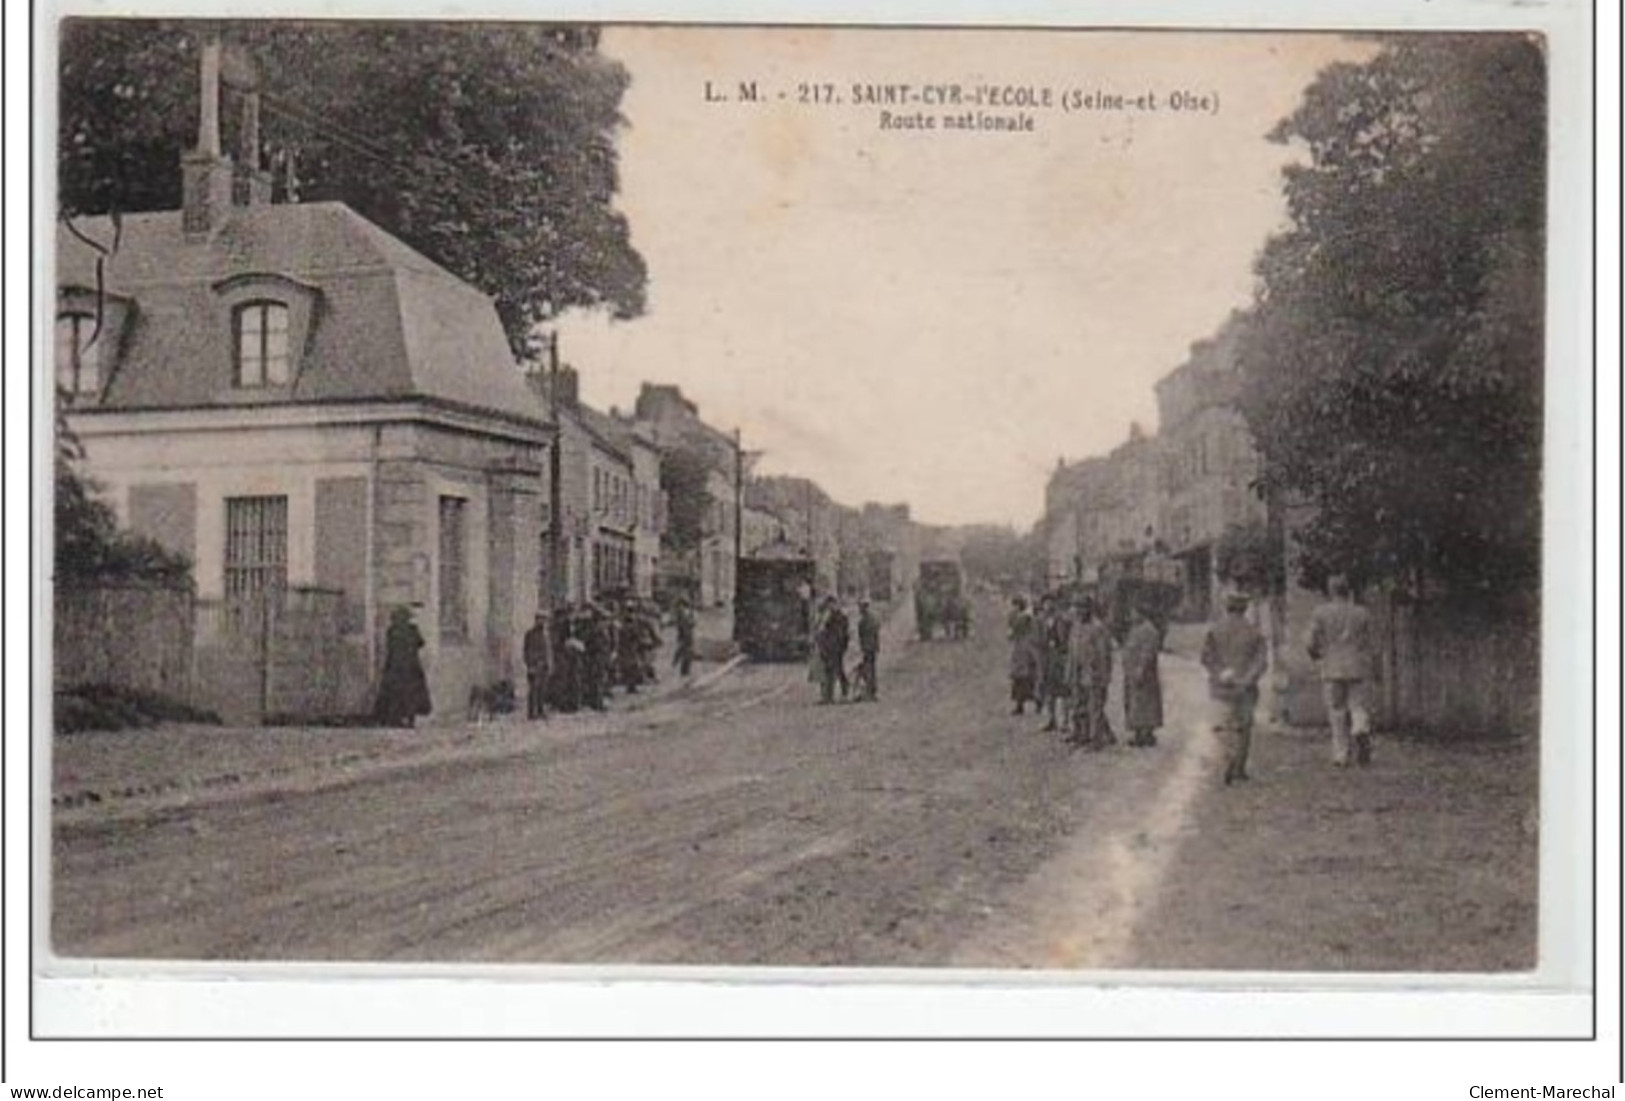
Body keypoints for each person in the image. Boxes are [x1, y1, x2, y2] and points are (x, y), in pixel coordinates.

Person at [1308, 575, 1378, 767]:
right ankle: (1359, 729)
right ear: (1348, 590)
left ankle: (1341, 754)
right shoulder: (1362, 613)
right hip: (1357, 665)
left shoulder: (1320, 613)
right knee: (1358, 706)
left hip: (1332, 666)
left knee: (1337, 710)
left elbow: (1311, 640)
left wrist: (1315, 654)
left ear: (1331, 591)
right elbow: (1371, 643)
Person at [1201, 591, 1269, 785]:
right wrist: (1248, 678)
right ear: (1245, 608)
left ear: (1226, 606)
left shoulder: (1215, 630)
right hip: (1246, 688)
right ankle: (1239, 767)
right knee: (1243, 727)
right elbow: (1261, 661)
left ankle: (1226, 758)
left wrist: (1220, 673)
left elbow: (1207, 657)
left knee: (1221, 725)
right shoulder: (1254, 632)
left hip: (1221, 687)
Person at [1066, 595, 1115, 750]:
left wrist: (1103, 675)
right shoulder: (1076, 626)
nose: (1079, 611)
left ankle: (1096, 740)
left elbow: (1103, 654)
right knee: (1079, 704)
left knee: (1095, 707)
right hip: (1078, 671)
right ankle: (1082, 734)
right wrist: (1069, 671)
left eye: (1082, 608)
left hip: (1093, 673)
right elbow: (1071, 651)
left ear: (1089, 609)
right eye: (1077, 607)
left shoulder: (1098, 628)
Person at [375, 606, 432, 728]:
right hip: (411, 667)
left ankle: (397, 718)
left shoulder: (392, 631)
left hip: (395, 666)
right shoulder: (412, 630)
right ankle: (410, 718)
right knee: (411, 694)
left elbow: (390, 648)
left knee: (396, 693)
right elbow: (421, 643)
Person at [1121, 602, 1164, 747]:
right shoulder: (1135, 629)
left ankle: (1147, 734)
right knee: (1135, 704)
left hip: (1144, 675)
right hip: (1132, 672)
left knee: (1146, 704)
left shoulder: (1149, 630)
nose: (1131, 615)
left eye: (1134, 612)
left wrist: (1141, 668)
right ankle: (1139, 733)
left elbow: (1148, 652)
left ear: (1141, 613)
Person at [1037, 595, 1071, 733]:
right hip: (1047, 659)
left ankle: (1065, 721)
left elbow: (1064, 640)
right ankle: (1052, 719)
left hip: (1059, 659)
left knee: (1063, 691)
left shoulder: (1061, 619)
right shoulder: (1042, 621)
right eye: (1045, 604)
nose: (1047, 606)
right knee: (1049, 692)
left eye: (1049, 603)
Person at [1007, 596, 1041, 716]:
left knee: (1029, 679)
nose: (1013, 607)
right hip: (1021, 650)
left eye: (1015, 605)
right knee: (1020, 680)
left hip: (1027, 650)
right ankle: (1021, 705)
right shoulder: (1024, 617)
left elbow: (1014, 629)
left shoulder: (1024, 618)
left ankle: (1037, 703)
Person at [816, 596, 850, 704]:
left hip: (835, 648)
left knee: (836, 671)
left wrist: (842, 647)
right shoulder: (831, 616)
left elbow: (843, 635)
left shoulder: (839, 617)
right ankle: (829, 695)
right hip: (830, 648)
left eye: (831, 604)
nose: (830, 607)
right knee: (831, 671)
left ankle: (838, 694)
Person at [522, 610, 552, 721]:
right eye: (541, 619)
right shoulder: (530, 634)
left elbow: (548, 650)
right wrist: (530, 664)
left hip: (544, 665)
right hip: (534, 665)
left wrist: (548, 663)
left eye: (544, 620)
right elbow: (527, 650)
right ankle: (531, 712)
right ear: (536, 620)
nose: (543, 622)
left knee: (542, 690)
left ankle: (540, 710)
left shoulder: (545, 634)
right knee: (533, 689)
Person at [855, 598, 881, 701]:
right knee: (871, 669)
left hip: (867, 647)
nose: (859, 609)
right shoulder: (874, 618)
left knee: (868, 670)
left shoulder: (865, 620)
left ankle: (870, 691)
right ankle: (872, 691)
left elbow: (862, 633)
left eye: (860, 607)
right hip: (873, 647)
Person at [673, 596, 696, 680]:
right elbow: (688, 623)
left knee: (685, 651)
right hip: (685, 634)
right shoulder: (683, 613)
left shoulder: (684, 613)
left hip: (686, 634)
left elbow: (691, 623)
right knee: (685, 651)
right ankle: (682, 670)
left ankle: (683, 669)